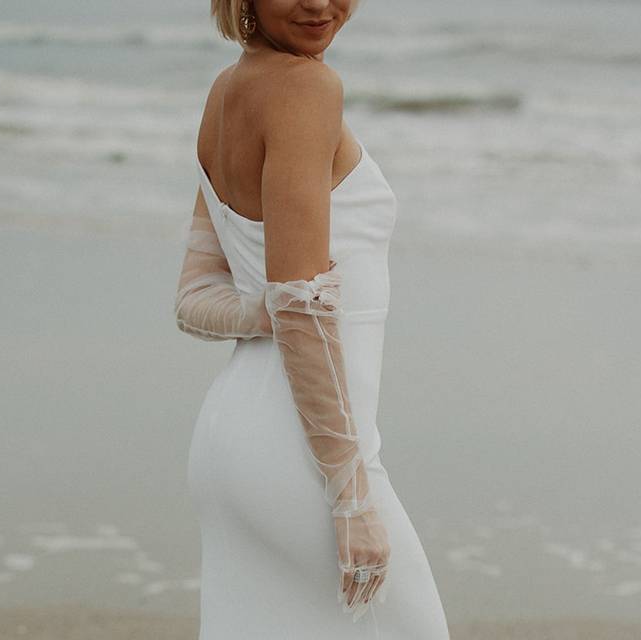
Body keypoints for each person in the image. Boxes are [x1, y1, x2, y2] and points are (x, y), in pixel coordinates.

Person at [174, 0, 450, 636]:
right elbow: (299, 300)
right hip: (303, 455)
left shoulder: (227, 90)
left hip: (231, 444)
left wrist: (277, 312)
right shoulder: (306, 87)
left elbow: (196, 296)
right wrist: (351, 498)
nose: (319, 3)